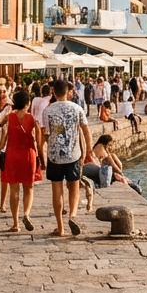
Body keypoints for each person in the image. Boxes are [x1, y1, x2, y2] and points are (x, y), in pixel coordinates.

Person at [37, 80, 92, 236]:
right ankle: (72, 215)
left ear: (54, 92)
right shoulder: (77, 108)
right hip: (73, 154)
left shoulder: (48, 111)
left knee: (57, 190)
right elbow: (86, 130)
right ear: (68, 92)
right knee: (74, 187)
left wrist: (48, 147)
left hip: (55, 155)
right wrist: (88, 150)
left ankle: (60, 227)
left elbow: (46, 134)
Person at [0, 89, 38, 232]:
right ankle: (26, 213)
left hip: (12, 154)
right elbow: (38, 138)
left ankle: (15, 223)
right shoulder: (32, 119)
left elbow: (2, 132)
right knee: (29, 187)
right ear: (28, 103)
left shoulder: (9, 117)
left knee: (14, 190)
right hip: (28, 154)